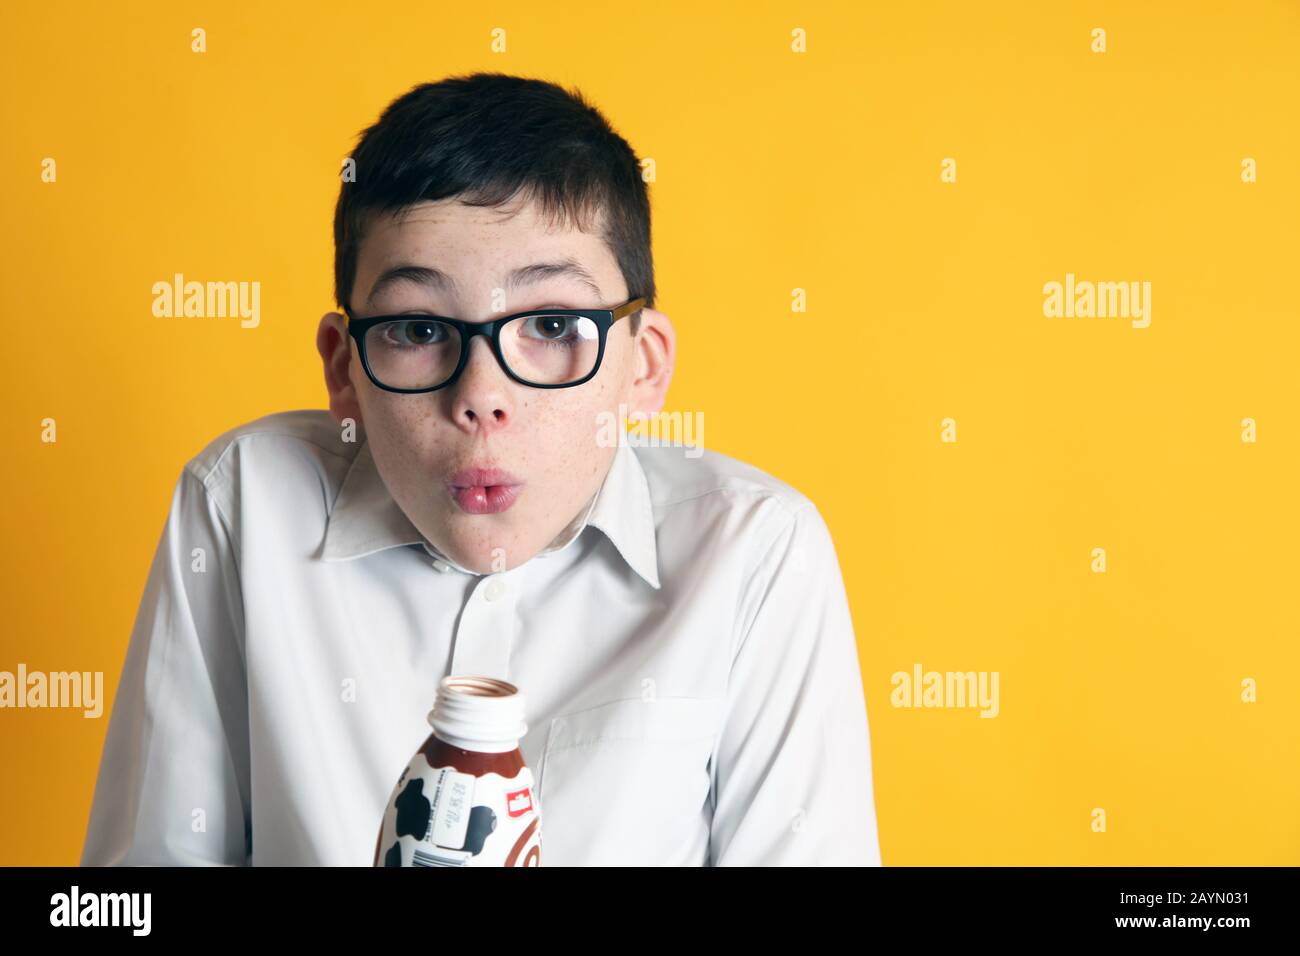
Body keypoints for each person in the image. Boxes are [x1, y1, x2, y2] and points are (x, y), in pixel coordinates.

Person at [80, 72, 881, 866]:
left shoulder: (757, 553)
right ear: (343, 369)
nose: (482, 399)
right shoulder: (241, 504)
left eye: (554, 322)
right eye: (419, 329)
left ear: (643, 366)